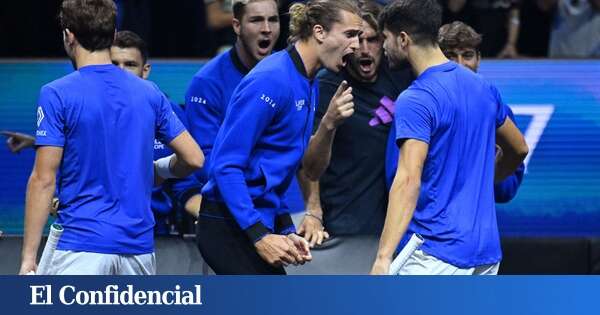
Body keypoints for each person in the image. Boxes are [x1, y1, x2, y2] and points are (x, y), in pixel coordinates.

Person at [18, 0, 204, 275]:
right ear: (114, 35)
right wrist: (159, 170)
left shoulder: (56, 93)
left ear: (68, 36)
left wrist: (28, 259)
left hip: (80, 249)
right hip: (139, 252)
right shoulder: (149, 92)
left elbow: (44, 179)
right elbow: (194, 159)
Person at [197, 0, 362, 274]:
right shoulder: (272, 79)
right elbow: (225, 165)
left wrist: (285, 229)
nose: (356, 45)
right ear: (319, 32)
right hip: (228, 224)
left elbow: (273, 172)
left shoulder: (308, 81)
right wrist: (259, 235)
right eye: (350, 34)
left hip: (255, 219)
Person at [370, 0, 528, 275]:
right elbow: (519, 149)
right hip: (485, 254)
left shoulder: (416, 98)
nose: (383, 47)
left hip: (433, 253)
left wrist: (383, 257)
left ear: (403, 39)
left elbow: (407, 179)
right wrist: (485, 178)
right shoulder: (483, 88)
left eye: (385, 38)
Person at [291, 0, 413, 274]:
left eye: (373, 39)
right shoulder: (329, 84)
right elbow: (306, 158)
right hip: (345, 218)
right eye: (358, 39)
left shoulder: (400, 78)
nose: (365, 48)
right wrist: (313, 210)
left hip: (392, 220)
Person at [386, 21, 525, 203]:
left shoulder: (497, 110)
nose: (460, 65)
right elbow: (396, 179)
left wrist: (489, 167)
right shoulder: (416, 104)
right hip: (427, 224)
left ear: (478, 59)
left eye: (467, 55)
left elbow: (507, 191)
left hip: (473, 223)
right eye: (450, 55)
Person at [186, 0, 281, 195]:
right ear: (237, 26)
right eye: (256, 20)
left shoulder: (291, 74)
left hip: (288, 198)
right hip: (236, 198)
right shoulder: (206, 83)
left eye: (273, 20)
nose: (266, 29)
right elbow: (206, 163)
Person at [111, 30, 203, 231]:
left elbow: (184, 184)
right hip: (98, 229)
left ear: (145, 71)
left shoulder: (168, 112)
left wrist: (208, 217)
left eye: (130, 65)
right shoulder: (85, 110)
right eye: (114, 64)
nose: (121, 72)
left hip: (155, 232)